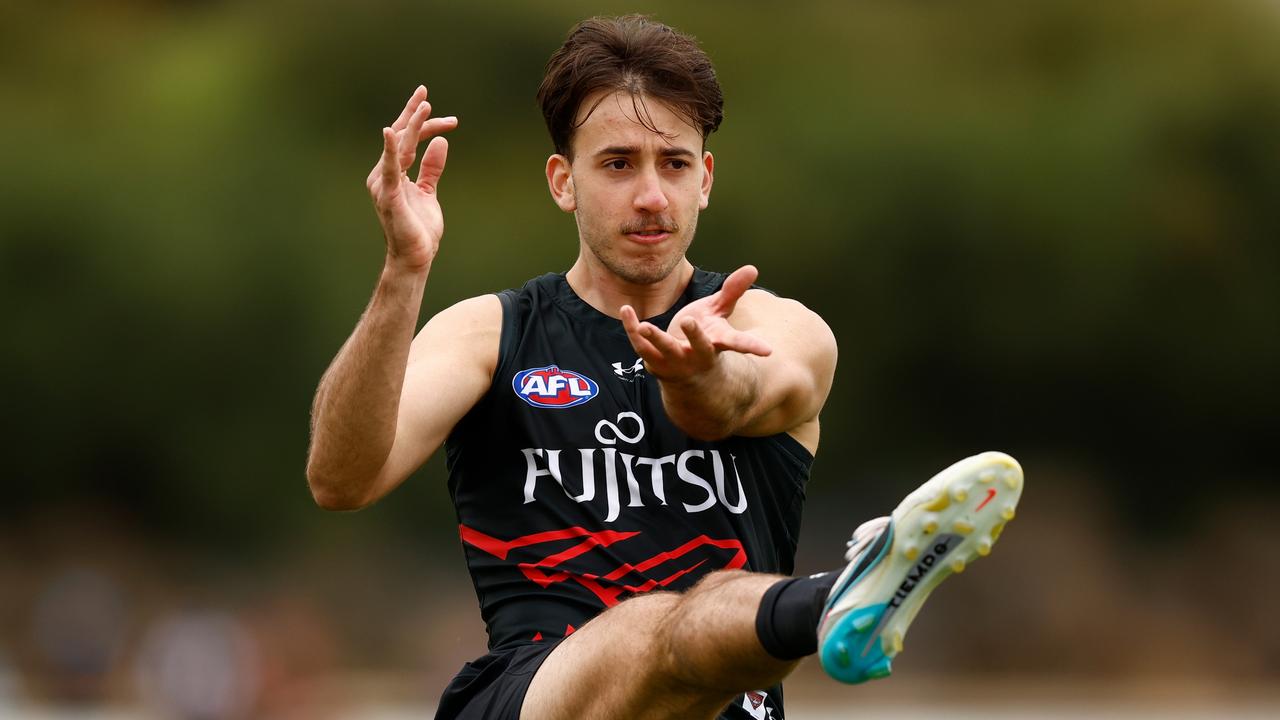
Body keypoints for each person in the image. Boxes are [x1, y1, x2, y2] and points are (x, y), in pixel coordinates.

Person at [306, 15, 1024, 720]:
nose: (651, 195)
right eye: (618, 163)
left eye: (673, 163)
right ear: (563, 181)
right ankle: (838, 598)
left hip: (722, 703)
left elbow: (727, 405)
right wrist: (405, 269)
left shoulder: (776, 328)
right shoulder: (489, 334)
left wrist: (693, 375)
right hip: (534, 691)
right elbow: (340, 478)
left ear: (704, 178)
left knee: (699, 617)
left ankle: (841, 597)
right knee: (654, 628)